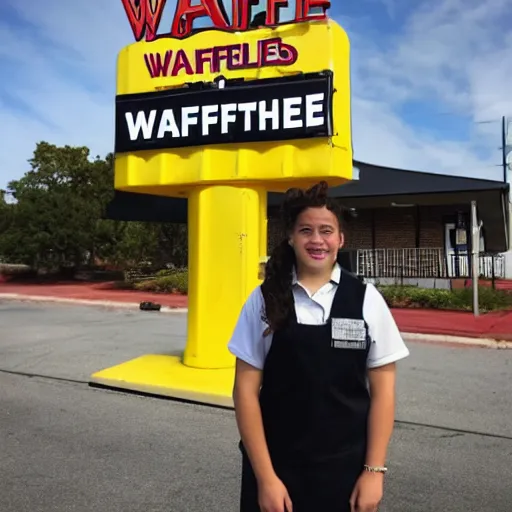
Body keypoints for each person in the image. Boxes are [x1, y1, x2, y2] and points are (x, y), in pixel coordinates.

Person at [228, 181, 410, 512]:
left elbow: (384, 393)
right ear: (291, 237)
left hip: (345, 471)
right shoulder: (264, 300)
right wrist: (266, 478)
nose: (316, 239)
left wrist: (374, 472)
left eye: (326, 230)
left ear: (340, 239)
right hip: (276, 468)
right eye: (306, 230)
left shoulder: (366, 300)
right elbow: (244, 391)